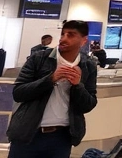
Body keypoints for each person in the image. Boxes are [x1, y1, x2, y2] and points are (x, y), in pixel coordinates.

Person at [6, 21, 97, 158]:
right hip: (28, 133)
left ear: (83, 40)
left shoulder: (88, 65)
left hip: (61, 138)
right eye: (63, 34)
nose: (63, 38)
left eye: (71, 35)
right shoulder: (39, 59)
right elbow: (18, 93)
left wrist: (78, 86)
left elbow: (89, 104)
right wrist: (51, 79)